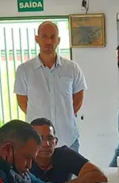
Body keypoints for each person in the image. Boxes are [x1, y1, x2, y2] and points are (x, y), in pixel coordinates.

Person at [15, 21, 87, 152]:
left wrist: (63, 116)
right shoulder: (24, 70)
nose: (49, 41)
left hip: (68, 139)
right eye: (44, 36)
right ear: (37, 39)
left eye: (53, 37)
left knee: (70, 172)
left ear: (58, 40)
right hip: (37, 142)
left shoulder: (72, 68)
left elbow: (77, 101)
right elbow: (23, 103)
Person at [30, 118, 108, 183]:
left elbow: (100, 177)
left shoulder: (64, 155)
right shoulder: (24, 160)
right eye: (40, 139)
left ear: (56, 141)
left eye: (50, 138)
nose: (46, 144)